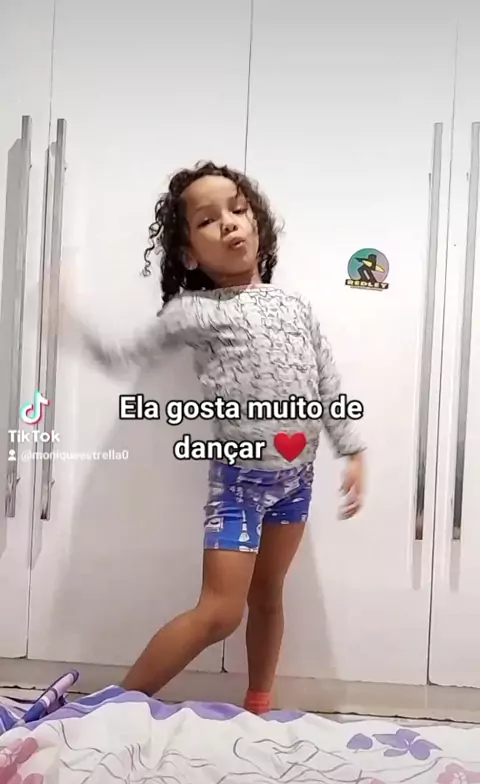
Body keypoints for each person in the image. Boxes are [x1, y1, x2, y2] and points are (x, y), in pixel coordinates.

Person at [83, 161, 366, 714]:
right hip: (239, 481)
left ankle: (258, 707)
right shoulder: (193, 311)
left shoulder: (295, 305)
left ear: (258, 223)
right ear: (189, 253)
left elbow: (327, 380)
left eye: (238, 209)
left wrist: (352, 449)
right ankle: (109, 707)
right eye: (208, 220)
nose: (230, 223)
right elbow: (123, 355)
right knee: (220, 612)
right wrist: (70, 322)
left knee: (268, 596)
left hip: (296, 479)